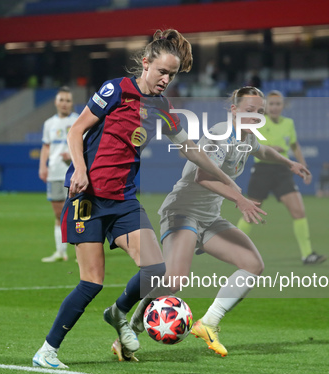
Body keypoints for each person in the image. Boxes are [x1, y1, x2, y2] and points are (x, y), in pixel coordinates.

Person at [32, 29, 242, 369]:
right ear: (145, 64)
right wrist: (81, 171)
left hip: (123, 198)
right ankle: (47, 350)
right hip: (88, 196)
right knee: (91, 282)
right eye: (162, 71)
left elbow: (189, 148)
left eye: (171, 75)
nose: (166, 80)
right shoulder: (115, 90)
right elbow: (76, 130)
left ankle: (118, 312)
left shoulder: (160, 106)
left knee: (156, 268)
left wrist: (225, 177)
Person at [124, 87, 310, 358]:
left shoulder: (247, 136)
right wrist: (240, 199)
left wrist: (289, 163)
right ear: (234, 109)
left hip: (210, 218)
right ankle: (130, 327)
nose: (256, 116)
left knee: (253, 264)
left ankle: (208, 323)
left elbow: (263, 151)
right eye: (249, 110)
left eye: (260, 112)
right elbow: (202, 176)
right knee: (175, 279)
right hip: (182, 211)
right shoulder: (221, 134)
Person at [236, 90, 326, 265]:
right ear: (266, 107)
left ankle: (307, 255)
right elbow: (250, 142)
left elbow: (294, 145)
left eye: (278, 104)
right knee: (251, 212)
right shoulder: (258, 121)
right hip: (262, 170)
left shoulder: (289, 124)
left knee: (298, 211)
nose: (275, 107)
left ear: (283, 106)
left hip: (283, 171)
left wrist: (304, 167)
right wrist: (270, 148)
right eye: (271, 104)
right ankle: (231, 244)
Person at [39, 87, 79, 263]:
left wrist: (72, 155)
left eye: (68, 100)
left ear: (72, 103)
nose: (64, 103)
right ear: (56, 102)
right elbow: (46, 146)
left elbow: (86, 144)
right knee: (58, 214)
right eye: (61, 100)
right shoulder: (49, 124)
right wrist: (42, 166)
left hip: (75, 173)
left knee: (79, 214)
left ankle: (81, 253)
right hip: (55, 172)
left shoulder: (78, 120)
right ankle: (60, 252)